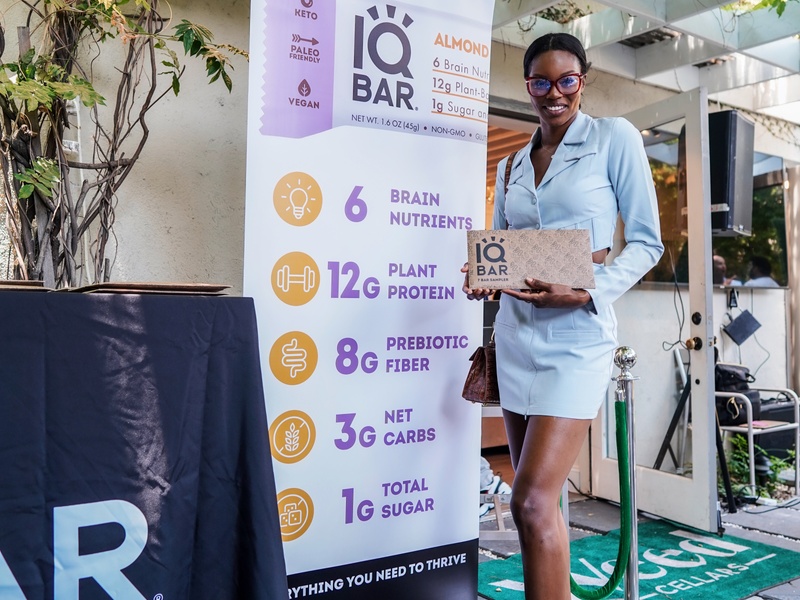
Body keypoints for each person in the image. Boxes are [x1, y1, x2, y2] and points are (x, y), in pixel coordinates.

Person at [461, 33, 663, 600]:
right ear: (527, 86)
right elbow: (503, 248)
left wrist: (587, 292)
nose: (555, 93)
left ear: (583, 80)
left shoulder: (613, 138)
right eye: (541, 82)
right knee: (541, 508)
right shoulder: (510, 165)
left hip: (576, 339)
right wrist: (483, 277)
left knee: (528, 500)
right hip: (515, 338)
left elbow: (647, 243)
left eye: (566, 81)